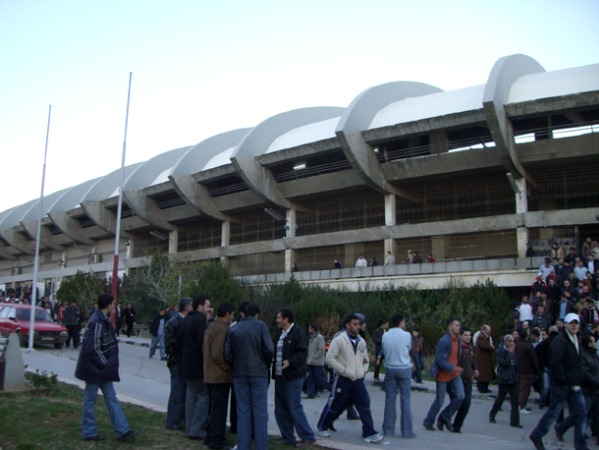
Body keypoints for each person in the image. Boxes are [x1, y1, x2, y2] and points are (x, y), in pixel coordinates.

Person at [74, 293, 137, 442]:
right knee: (91, 400)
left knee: (111, 398)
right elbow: (92, 348)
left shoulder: (101, 320)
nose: (114, 306)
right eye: (113, 303)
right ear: (108, 305)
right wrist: (104, 364)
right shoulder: (97, 321)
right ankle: (89, 432)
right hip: (95, 369)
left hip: (100, 370)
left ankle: (123, 430)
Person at [316, 314, 383, 444]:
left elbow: (366, 359)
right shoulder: (339, 340)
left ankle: (369, 432)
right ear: (348, 325)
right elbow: (329, 358)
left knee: (364, 404)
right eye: (355, 324)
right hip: (343, 379)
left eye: (359, 324)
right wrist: (343, 370)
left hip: (357, 381)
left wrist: (363, 370)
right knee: (335, 404)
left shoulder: (361, 342)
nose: (358, 327)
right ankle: (322, 425)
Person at [530, 313, 588, 450]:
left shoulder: (575, 339)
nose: (574, 325)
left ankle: (579, 444)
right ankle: (537, 435)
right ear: (566, 324)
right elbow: (556, 364)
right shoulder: (560, 341)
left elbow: (578, 361)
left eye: (576, 323)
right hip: (562, 384)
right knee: (553, 413)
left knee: (581, 413)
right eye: (572, 323)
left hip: (574, 384)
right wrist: (564, 380)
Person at [225, 303, 274, 450]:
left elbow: (227, 354)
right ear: (256, 315)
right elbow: (269, 349)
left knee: (243, 412)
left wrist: (236, 363)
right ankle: (261, 447)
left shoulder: (233, 329)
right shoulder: (260, 326)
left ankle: (243, 446)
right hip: (258, 373)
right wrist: (264, 363)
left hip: (239, 374)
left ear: (243, 314)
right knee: (259, 412)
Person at [272, 308, 316, 446]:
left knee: (294, 407)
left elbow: (302, 353)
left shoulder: (298, 332)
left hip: (293, 376)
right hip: (280, 376)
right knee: (280, 409)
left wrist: (290, 361)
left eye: (279, 318)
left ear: (286, 319)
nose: (277, 320)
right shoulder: (281, 334)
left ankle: (307, 436)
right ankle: (288, 437)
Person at [554, 334, 599, 446]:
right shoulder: (583, 356)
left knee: (593, 415)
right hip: (588, 390)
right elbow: (585, 373)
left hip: (595, 390)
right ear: (588, 343)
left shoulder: (594, 355)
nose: (595, 343)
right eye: (593, 341)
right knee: (580, 414)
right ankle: (561, 428)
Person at [423, 318, 465, 432]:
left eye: (459, 325)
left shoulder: (458, 340)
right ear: (450, 327)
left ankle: (445, 417)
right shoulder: (444, 341)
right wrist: (452, 367)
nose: (458, 327)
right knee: (440, 400)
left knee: (461, 396)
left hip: (454, 374)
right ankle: (428, 421)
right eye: (456, 325)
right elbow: (439, 360)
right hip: (443, 373)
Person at [203, 301, 235, 450]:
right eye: (232, 315)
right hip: (219, 376)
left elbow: (205, 349)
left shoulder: (211, 326)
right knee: (219, 410)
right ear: (227, 314)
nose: (233, 318)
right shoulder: (222, 328)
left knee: (213, 408)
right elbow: (217, 353)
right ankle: (216, 440)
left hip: (210, 374)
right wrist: (228, 367)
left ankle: (211, 437)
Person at [181, 295, 211, 441]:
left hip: (186, 363)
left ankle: (190, 427)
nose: (209, 309)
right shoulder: (199, 320)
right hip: (198, 364)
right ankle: (196, 429)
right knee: (204, 396)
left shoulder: (186, 319)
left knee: (191, 395)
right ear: (200, 306)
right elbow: (202, 343)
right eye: (207, 306)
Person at [381, 314, 414, 438]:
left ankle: (388, 429)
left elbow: (384, 350)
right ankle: (407, 431)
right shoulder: (406, 335)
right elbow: (408, 349)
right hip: (404, 368)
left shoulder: (386, 335)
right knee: (405, 400)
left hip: (390, 368)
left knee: (390, 399)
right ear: (401, 323)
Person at [164, 297, 193, 430]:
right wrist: (175, 360)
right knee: (177, 392)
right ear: (186, 307)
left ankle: (181, 418)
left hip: (186, 362)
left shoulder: (187, 322)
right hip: (177, 363)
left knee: (185, 393)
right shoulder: (173, 322)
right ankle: (172, 422)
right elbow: (170, 344)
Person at [489, 334, 522, 428]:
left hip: (514, 378)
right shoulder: (500, 351)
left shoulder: (515, 351)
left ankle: (515, 421)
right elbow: (503, 363)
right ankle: (492, 414)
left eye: (513, 341)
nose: (512, 343)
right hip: (504, 378)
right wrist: (510, 353)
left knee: (515, 400)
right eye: (510, 341)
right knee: (501, 398)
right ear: (505, 342)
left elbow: (516, 363)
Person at [452, 327, 478, 433]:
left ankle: (457, 425)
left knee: (466, 403)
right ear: (461, 336)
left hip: (468, 378)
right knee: (458, 402)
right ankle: (445, 418)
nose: (468, 337)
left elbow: (472, 360)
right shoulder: (458, 347)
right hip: (459, 378)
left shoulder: (469, 348)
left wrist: (475, 368)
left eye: (469, 335)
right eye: (466, 335)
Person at [515, 329, 539, 415]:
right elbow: (534, 360)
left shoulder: (515, 344)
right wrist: (536, 371)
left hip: (516, 369)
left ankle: (514, 405)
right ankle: (521, 406)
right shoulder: (529, 346)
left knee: (517, 389)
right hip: (527, 371)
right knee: (524, 390)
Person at [305, 323, 331, 399]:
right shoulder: (310, 338)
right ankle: (310, 394)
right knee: (310, 378)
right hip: (310, 362)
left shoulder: (320, 338)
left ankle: (332, 389)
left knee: (319, 378)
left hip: (317, 362)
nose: (309, 330)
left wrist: (314, 357)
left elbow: (321, 350)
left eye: (310, 328)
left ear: (313, 329)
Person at [475, 324, 495, 394]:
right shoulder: (481, 337)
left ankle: (485, 387)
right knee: (483, 374)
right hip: (482, 359)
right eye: (488, 330)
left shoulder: (486, 337)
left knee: (486, 374)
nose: (489, 331)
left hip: (486, 358)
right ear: (485, 330)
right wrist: (491, 347)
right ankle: (481, 388)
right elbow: (484, 346)